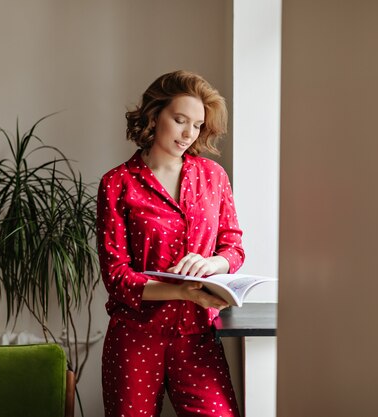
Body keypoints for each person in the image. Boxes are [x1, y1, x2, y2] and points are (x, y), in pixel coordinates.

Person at [97, 70, 245, 417]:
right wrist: (183, 291)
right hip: (135, 336)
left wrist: (213, 264)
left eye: (196, 125)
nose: (188, 133)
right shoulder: (117, 184)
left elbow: (233, 248)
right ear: (154, 115)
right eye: (180, 120)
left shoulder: (213, 176)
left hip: (197, 336)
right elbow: (117, 277)